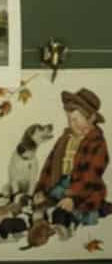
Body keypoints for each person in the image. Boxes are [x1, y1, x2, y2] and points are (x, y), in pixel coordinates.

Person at [32, 87, 110, 230]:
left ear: (91, 118)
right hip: (61, 184)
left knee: (73, 211)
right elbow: (49, 165)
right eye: (69, 119)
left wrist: (73, 198)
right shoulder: (65, 138)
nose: (71, 124)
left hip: (85, 190)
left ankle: (69, 223)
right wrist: (41, 189)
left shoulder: (97, 143)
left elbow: (90, 178)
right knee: (41, 205)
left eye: (75, 119)